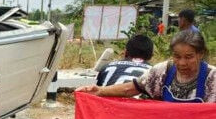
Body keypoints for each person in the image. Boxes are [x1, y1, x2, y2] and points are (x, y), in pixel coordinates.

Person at [77, 30, 215, 103]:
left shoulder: (212, 78)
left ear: (200, 54)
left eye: (189, 57)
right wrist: (99, 91)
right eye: (177, 56)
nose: (182, 62)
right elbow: (130, 89)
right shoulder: (162, 71)